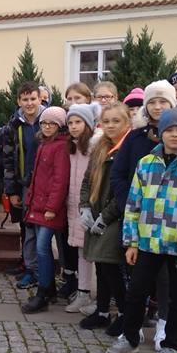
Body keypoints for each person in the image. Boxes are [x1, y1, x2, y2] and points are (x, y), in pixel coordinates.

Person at [107, 107, 177, 353]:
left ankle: (172, 345)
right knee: (136, 293)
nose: (173, 135)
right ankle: (129, 337)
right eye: (169, 130)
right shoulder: (147, 163)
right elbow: (133, 204)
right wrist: (131, 242)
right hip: (148, 241)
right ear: (160, 133)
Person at [79, 103, 133, 334]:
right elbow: (87, 180)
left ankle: (123, 313)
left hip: (116, 217)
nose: (110, 126)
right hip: (96, 212)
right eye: (106, 121)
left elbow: (126, 189)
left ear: (127, 123)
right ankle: (102, 311)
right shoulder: (100, 146)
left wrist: (105, 216)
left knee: (110, 265)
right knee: (101, 265)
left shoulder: (128, 149)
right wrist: (84, 207)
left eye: (116, 121)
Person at [19, 106, 69, 314]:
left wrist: (51, 207)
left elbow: (60, 180)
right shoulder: (43, 144)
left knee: (41, 247)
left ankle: (43, 292)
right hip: (38, 206)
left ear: (60, 126)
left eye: (52, 123)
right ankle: (48, 289)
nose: (47, 127)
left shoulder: (61, 146)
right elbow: (37, 177)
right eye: (44, 123)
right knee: (43, 249)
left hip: (49, 208)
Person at [3, 82, 45, 278]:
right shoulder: (14, 124)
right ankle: (30, 268)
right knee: (28, 227)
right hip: (25, 184)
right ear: (19, 101)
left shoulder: (49, 120)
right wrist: (11, 191)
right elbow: (9, 159)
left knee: (43, 230)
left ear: (40, 99)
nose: (29, 103)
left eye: (33, 99)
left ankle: (44, 272)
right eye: (25, 99)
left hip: (46, 185)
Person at [65, 102, 99, 314]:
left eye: (78, 122)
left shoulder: (95, 147)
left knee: (95, 253)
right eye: (70, 122)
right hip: (73, 204)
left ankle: (99, 297)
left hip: (91, 205)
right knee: (81, 251)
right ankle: (83, 293)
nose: (74, 126)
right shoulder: (71, 147)